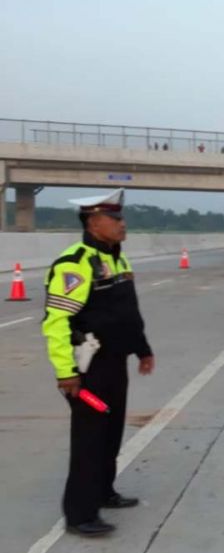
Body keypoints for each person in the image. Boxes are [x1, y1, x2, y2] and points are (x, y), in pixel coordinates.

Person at [41, 188, 155, 538]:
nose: (123, 224)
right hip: (88, 371)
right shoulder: (75, 263)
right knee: (89, 438)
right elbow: (56, 322)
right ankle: (79, 514)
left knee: (111, 432)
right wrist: (66, 373)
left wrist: (142, 348)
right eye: (115, 219)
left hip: (114, 365)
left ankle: (105, 492)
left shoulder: (118, 259)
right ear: (93, 223)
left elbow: (126, 313)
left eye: (121, 218)